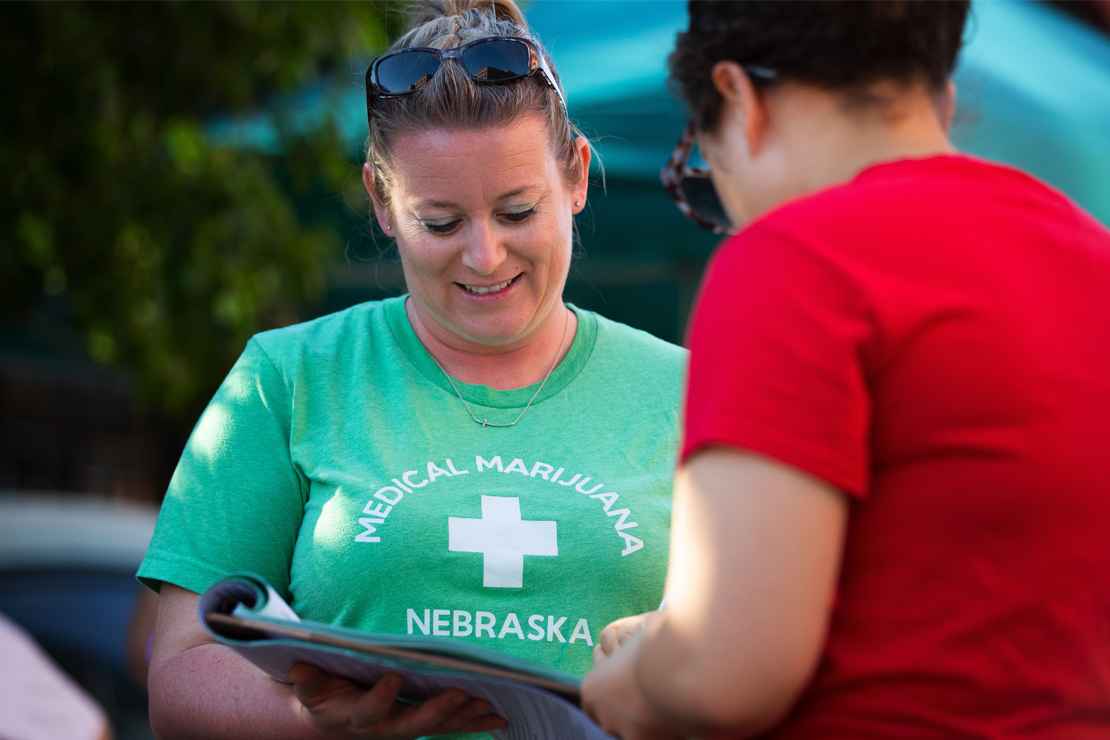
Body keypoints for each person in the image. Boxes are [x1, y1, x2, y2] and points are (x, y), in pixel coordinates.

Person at [137, 1, 686, 738]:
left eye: (518, 212)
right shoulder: (287, 379)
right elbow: (177, 673)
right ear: (380, 200)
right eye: (441, 222)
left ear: (577, 177)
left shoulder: (690, 392)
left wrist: (690, 656)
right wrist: (305, 714)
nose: (484, 256)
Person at [583, 1, 1110, 738]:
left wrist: (631, 685)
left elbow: (723, 676)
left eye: (702, 172)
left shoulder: (790, 263)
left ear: (736, 98)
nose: (728, 215)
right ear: (941, 95)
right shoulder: (1092, 258)